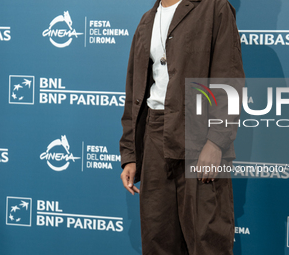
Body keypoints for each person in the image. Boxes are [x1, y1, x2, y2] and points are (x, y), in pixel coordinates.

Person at [120, 0, 244, 254]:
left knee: (207, 240)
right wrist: (130, 154)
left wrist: (217, 141)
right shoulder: (147, 20)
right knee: (158, 238)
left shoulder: (214, 8)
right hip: (154, 136)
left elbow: (227, 78)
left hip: (198, 134)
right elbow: (135, 90)